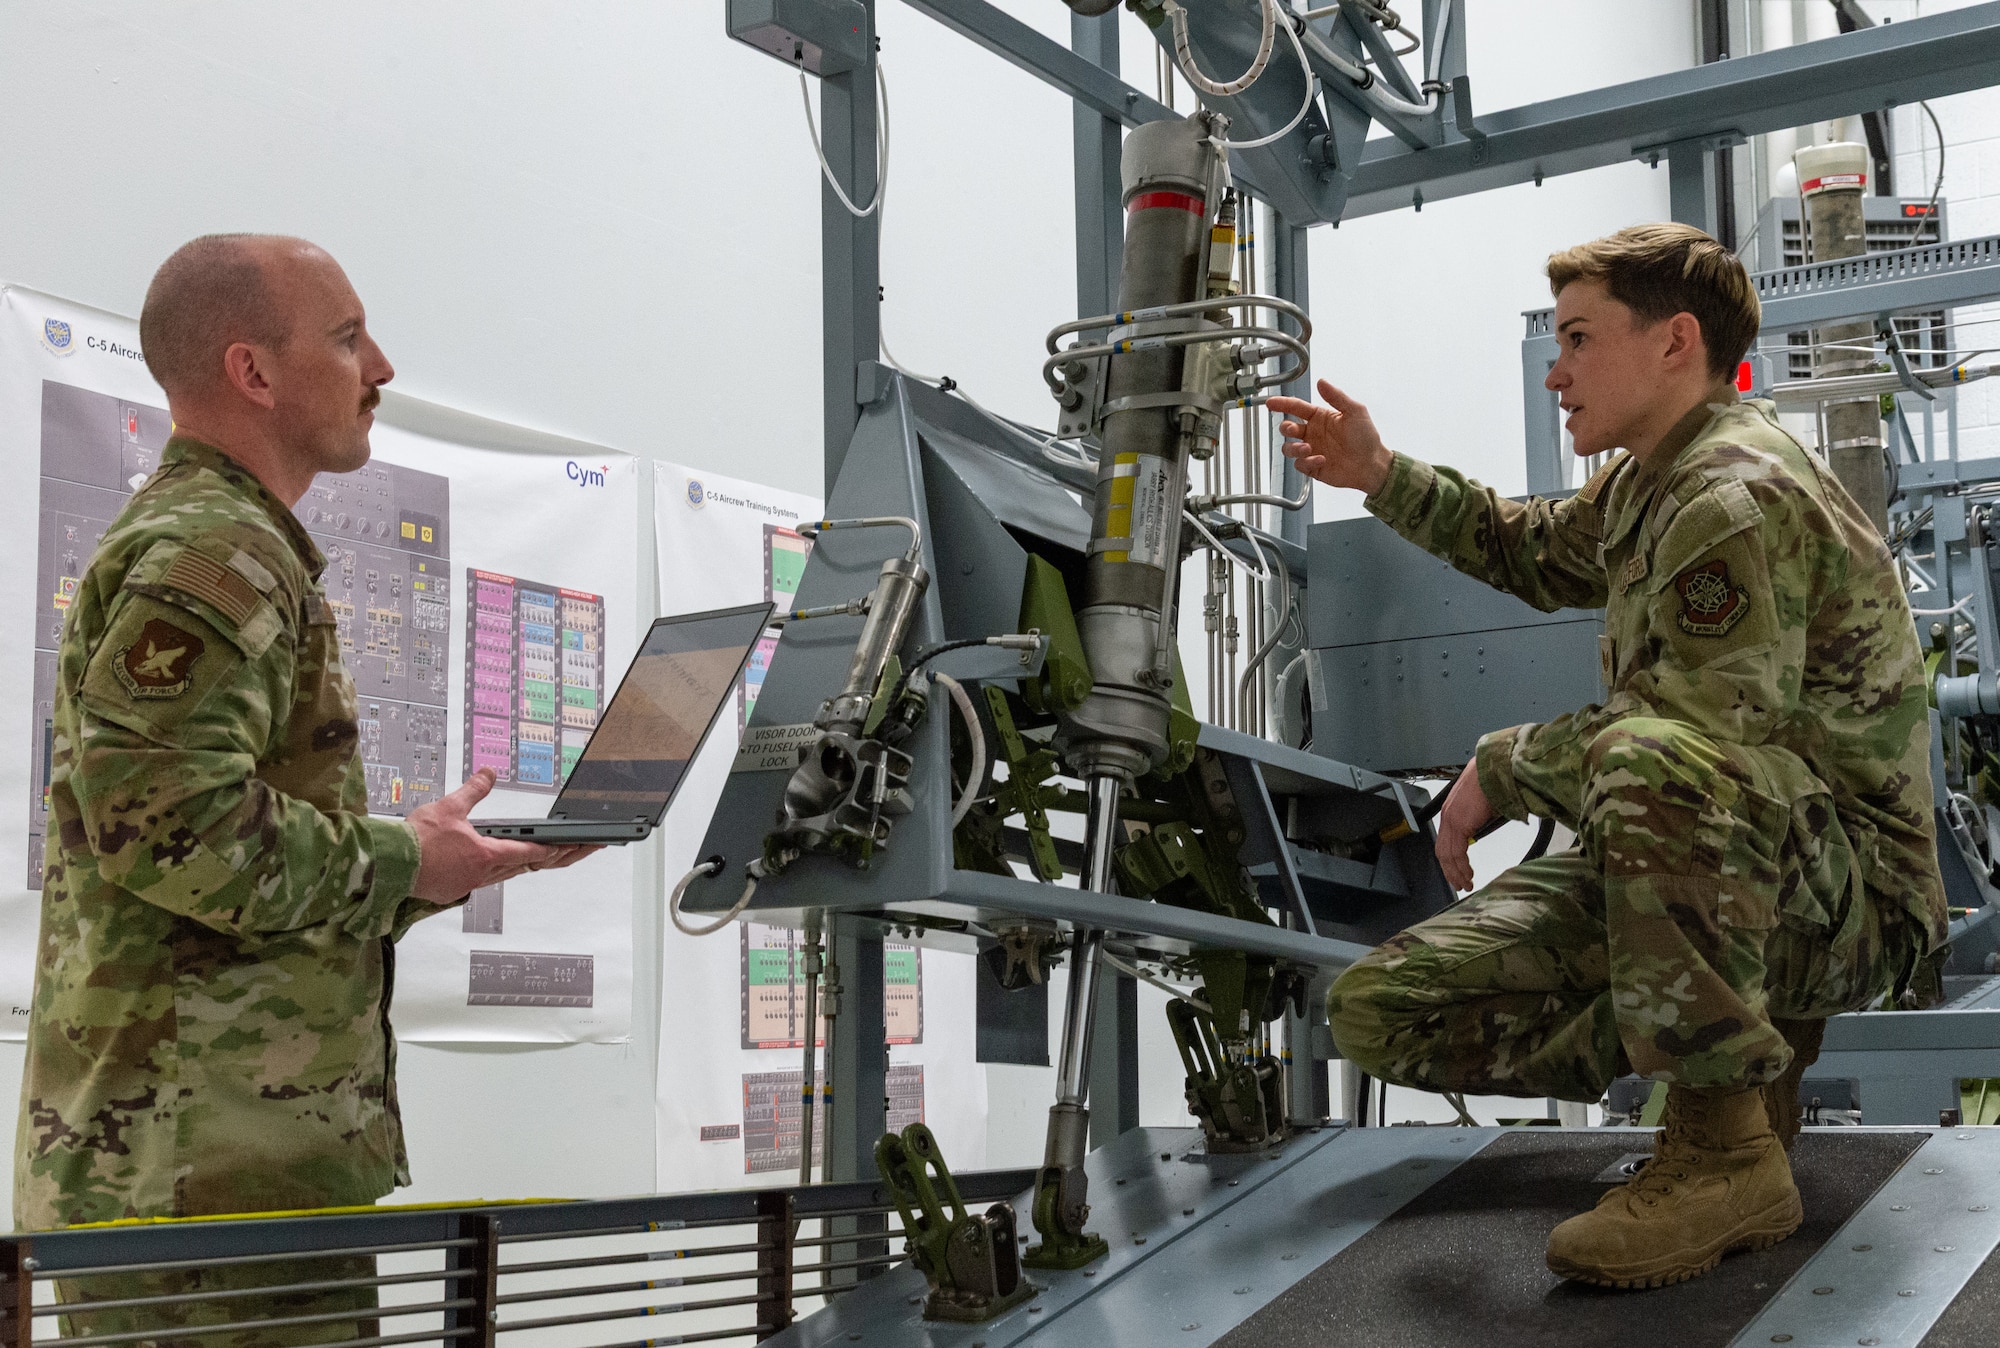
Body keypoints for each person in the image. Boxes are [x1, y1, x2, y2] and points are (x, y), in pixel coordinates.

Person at [1269, 222, 1947, 1290]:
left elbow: (1695, 742)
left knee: (1641, 759)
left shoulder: (1731, 491)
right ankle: (1734, 1078)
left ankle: (1723, 1151)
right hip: (1745, 866)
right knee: (1379, 1009)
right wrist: (1380, 474)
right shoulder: (1647, 483)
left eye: (1579, 338)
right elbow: (1534, 549)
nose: (1555, 370)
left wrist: (1497, 766)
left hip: (1845, 897)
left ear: (1673, 341)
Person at [13, 234, 593, 1338]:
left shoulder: (230, 543)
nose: (378, 365)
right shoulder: (219, 552)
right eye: (344, 336)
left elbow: (193, 840)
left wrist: (422, 866)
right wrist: (395, 859)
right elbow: (170, 826)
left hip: (218, 1173)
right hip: (202, 1188)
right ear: (254, 373)